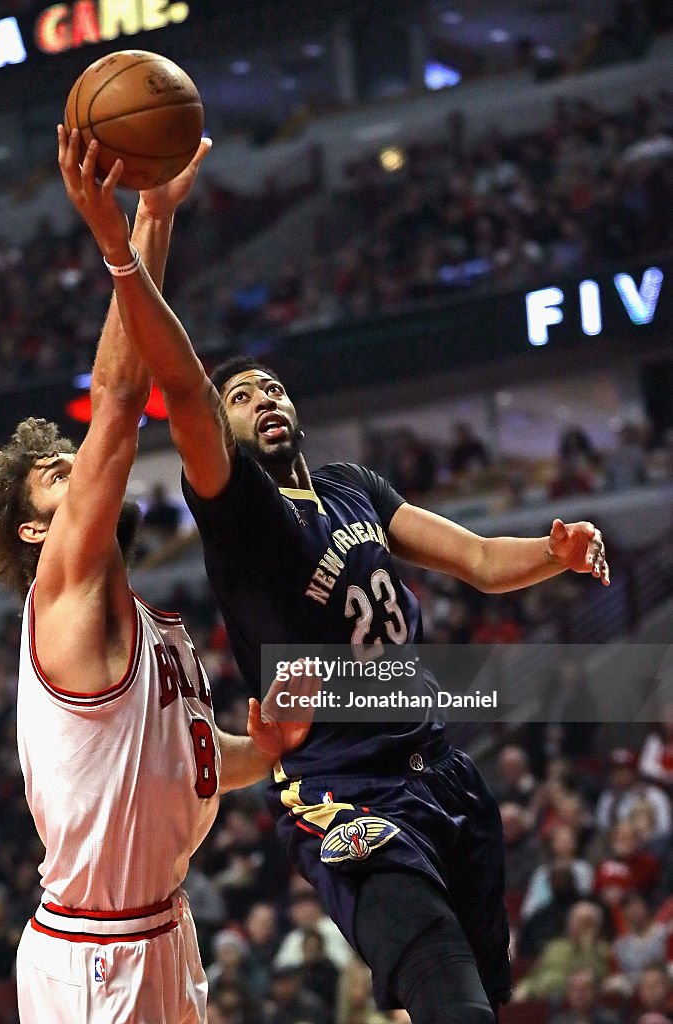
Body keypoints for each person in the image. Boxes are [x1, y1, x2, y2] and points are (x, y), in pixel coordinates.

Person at [66, 137, 611, 1024]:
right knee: (452, 1006)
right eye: (244, 398)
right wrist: (141, 231)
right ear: (224, 433)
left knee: (467, 1006)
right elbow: (179, 384)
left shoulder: (354, 488)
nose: (264, 400)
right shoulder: (237, 511)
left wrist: (552, 552)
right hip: (345, 789)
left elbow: (474, 556)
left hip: (442, 772)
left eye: (274, 389)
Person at [0, 132, 312, 1024]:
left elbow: (182, 767)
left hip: (158, 932)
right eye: (58, 474)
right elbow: (117, 399)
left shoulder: (143, 622)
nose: (82, 469)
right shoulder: (64, 588)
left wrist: (257, 753)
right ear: (36, 527)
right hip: (92, 954)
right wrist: (133, 230)